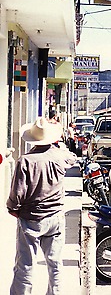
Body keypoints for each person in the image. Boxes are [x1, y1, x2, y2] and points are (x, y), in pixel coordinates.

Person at [6, 117, 77, 295]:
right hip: (56, 216)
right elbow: (73, 158)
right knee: (55, 264)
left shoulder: (26, 161)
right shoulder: (61, 156)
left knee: (26, 265)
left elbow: (17, 193)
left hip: (31, 218)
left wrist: (12, 208)